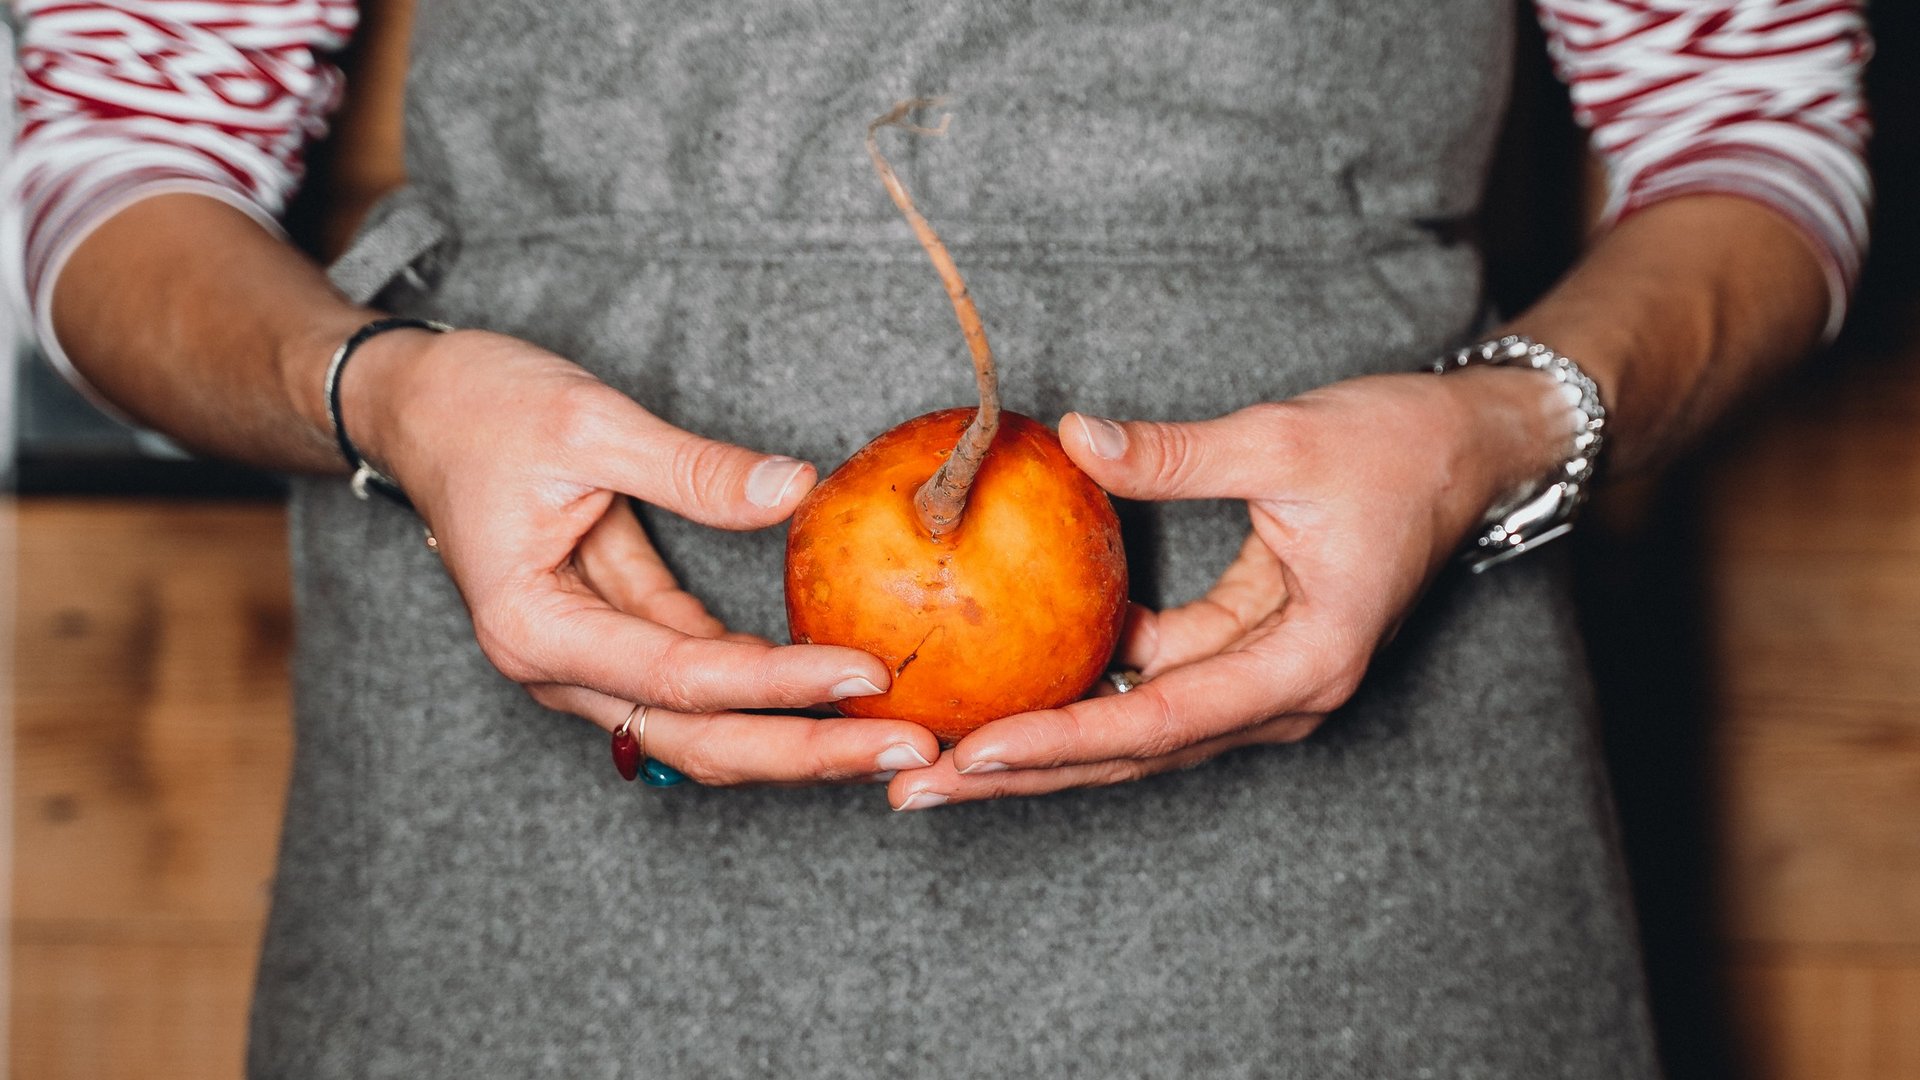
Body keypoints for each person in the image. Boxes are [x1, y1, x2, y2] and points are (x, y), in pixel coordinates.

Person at [6, 0, 1870, 1075]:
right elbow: (121, 157)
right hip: (519, 842)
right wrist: (376, 396)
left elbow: (1751, 140)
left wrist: (1499, 433)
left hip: (1365, 829)